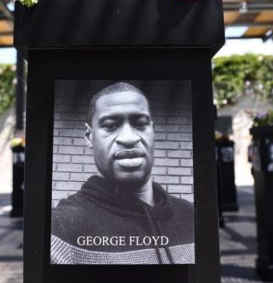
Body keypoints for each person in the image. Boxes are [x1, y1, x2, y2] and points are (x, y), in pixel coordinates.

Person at [51, 82, 194, 264]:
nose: (129, 138)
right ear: (89, 136)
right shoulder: (62, 230)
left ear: (153, 130)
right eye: (110, 126)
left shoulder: (190, 216)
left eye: (141, 124)